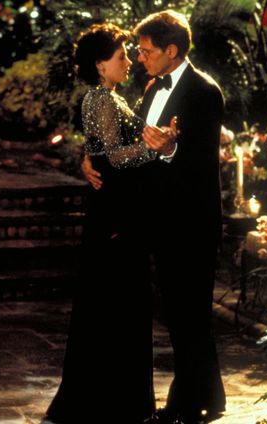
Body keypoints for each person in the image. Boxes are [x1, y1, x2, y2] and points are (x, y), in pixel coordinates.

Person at [83, 10, 227, 424]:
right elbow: (124, 145)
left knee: (190, 312)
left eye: (147, 51)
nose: (140, 58)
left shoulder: (204, 91)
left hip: (191, 220)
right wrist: (88, 160)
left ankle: (187, 404)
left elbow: (202, 159)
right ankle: (209, 396)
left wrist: (170, 149)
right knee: (180, 313)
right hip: (157, 218)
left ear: (172, 51)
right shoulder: (149, 89)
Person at [44, 23, 176, 424]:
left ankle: (114, 403)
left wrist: (94, 157)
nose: (129, 62)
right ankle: (113, 405)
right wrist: (158, 145)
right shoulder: (100, 98)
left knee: (117, 306)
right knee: (116, 306)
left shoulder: (109, 97)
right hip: (114, 216)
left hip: (116, 211)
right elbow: (115, 157)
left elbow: (100, 151)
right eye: (121, 56)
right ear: (101, 66)